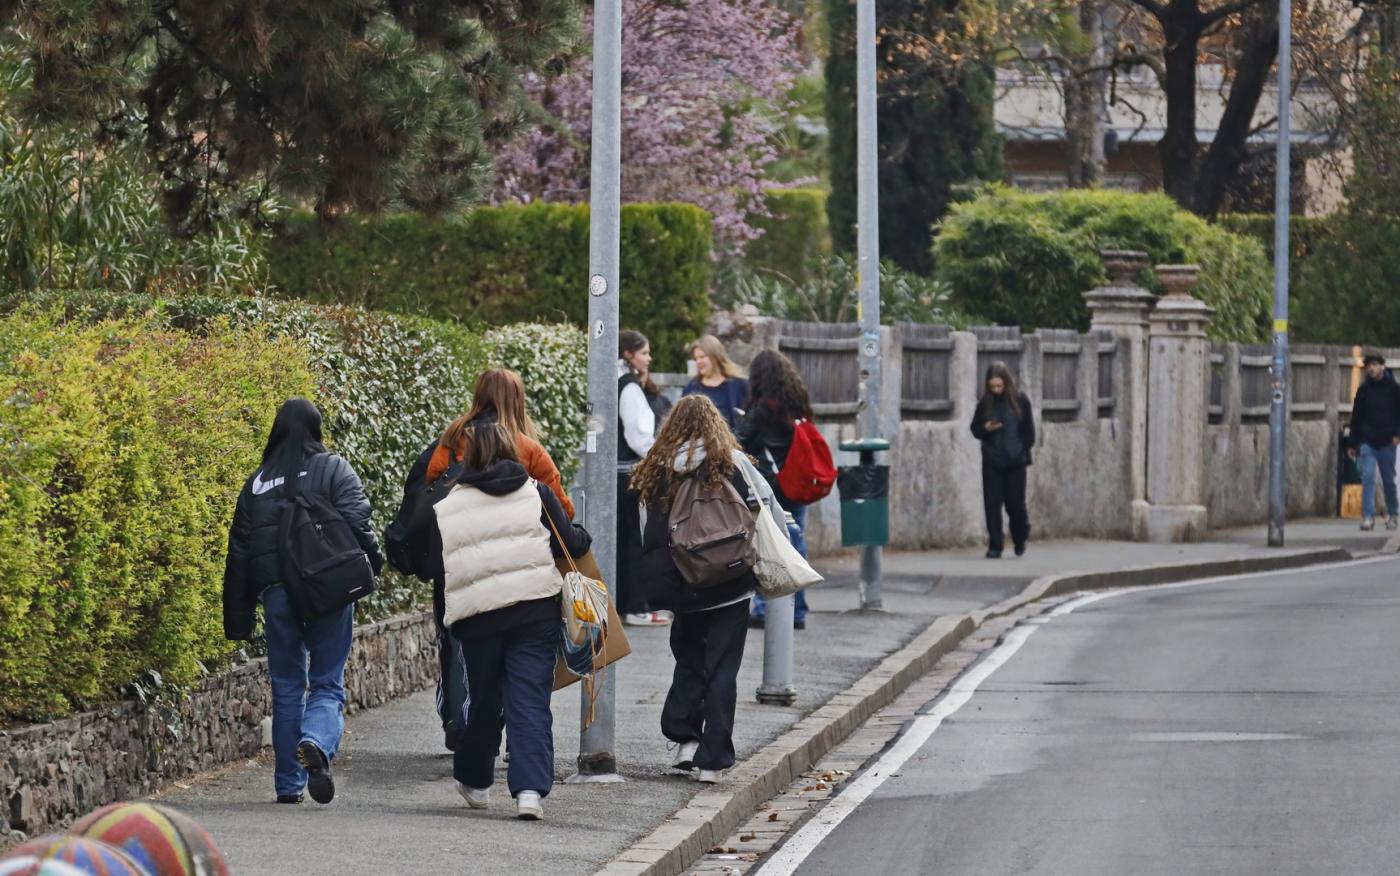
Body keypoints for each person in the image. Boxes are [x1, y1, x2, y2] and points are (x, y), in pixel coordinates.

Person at [223, 398, 384, 806]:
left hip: (277, 594)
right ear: (316, 429)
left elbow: (239, 552)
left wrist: (238, 616)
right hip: (327, 588)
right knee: (328, 681)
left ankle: (287, 784)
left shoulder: (257, 482)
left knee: (287, 686)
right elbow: (358, 521)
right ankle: (315, 740)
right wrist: (373, 565)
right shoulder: (333, 468)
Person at [434, 414, 591, 821]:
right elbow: (569, 543)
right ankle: (529, 792)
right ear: (509, 449)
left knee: (484, 700)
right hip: (533, 611)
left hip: (479, 617)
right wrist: (586, 535)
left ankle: (476, 780)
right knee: (529, 700)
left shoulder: (451, 503)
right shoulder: (535, 492)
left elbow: (441, 559)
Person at [632, 395, 784, 783]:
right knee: (722, 670)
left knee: (688, 660)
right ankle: (712, 761)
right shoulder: (732, 462)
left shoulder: (658, 468)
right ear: (716, 424)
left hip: (684, 586)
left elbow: (646, 528)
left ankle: (685, 740)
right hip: (731, 582)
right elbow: (766, 509)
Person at [425, 369, 577, 749]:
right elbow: (563, 509)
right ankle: (514, 737)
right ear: (517, 399)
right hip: (522, 569)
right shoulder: (529, 449)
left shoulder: (451, 441)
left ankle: (462, 725)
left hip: (458, 563)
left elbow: (429, 492)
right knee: (520, 659)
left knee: (460, 646)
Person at [736, 349, 814, 630]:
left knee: (767, 545)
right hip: (796, 481)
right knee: (797, 541)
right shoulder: (796, 403)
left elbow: (738, 441)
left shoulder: (761, 410)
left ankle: (764, 607)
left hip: (771, 486)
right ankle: (798, 609)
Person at [619, 330, 673, 627]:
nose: (649, 358)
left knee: (623, 542)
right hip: (628, 474)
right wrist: (663, 459)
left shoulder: (610, 382)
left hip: (615, 475)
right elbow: (639, 438)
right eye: (644, 353)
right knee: (634, 542)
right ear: (628, 354)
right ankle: (636, 607)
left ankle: (625, 604)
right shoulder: (629, 388)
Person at [969, 362, 1036, 559]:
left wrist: (1020, 451)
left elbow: (1029, 433)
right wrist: (986, 428)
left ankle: (1020, 535)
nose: (997, 390)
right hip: (992, 461)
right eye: (993, 387)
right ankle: (995, 545)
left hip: (1016, 462)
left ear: (1006, 383)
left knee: (1015, 505)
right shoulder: (985, 403)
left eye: (999, 386)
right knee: (992, 504)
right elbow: (975, 428)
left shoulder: (1021, 401)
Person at [1347, 351, 1400, 531]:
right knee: (1367, 476)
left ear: (1382, 366)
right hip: (1367, 440)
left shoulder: (1394, 389)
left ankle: (1393, 514)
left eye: (1374, 365)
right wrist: (1353, 443)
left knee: (1388, 480)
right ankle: (1368, 516)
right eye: (1368, 365)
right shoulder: (1363, 391)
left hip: (1387, 440)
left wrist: (1397, 434)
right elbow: (1356, 417)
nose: (1371, 368)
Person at [683, 335, 750, 430]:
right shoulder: (691, 389)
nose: (698, 361)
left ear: (715, 356)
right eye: (696, 358)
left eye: (702, 357)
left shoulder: (740, 385)